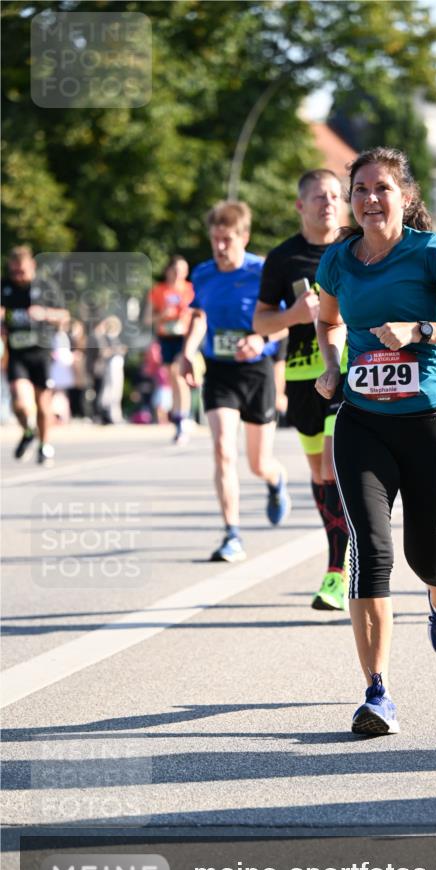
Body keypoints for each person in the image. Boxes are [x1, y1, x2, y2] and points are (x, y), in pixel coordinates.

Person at [314, 147, 436, 736]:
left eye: (381, 188)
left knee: (425, 555)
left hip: (429, 423)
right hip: (363, 421)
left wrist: (422, 329)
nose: (370, 199)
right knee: (370, 550)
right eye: (360, 189)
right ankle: (376, 692)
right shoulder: (338, 261)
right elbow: (328, 319)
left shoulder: (431, 252)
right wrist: (331, 364)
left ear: (405, 197)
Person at [253, 169, 350, 611]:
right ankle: (343, 549)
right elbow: (261, 323)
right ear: (300, 205)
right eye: (318, 196)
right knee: (318, 476)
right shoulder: (283, 258)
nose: (328, 203)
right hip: (300, 376)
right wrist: (293, 315)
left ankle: (336, 570)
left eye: (334, 195)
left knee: (332, 470)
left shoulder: (355, 246)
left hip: (348, 371)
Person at [181, 200, 290, 562]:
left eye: (227, 239)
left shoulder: (265, 270)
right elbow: (199, 316)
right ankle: (232, 533)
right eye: (215, 240)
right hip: (220, 370)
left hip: (256, 371)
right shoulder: (203, 273)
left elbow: (288, 320)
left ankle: (275, 482)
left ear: (244, 236)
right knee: (223, 450)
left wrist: (262, 339)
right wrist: (187, 351)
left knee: (258, 463)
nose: (220, 247)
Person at [1, 245, 69, 464]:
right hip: (17, 352)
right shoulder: (5, 287)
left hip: (42, 352)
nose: (19, 276)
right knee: (20, 402)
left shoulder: (45, 287)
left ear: (32, 267)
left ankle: (44, 444)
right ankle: (28, 431)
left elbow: (65, 315)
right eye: (15, 272)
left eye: (23, 272)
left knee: (43, 403)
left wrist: (45, 314)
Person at [144, 255, 194, 443]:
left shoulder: (190, 290)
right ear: (168, 271)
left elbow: (199, 312)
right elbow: (147, 319)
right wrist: (162, 316)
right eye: (175, 270)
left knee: (179, 374)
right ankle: (178, 418)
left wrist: (186, 316)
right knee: (172, 379)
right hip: (166, 337)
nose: (178, 274)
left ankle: (183, 418)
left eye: (182, 271)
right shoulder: (158, 290)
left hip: (184, 337)